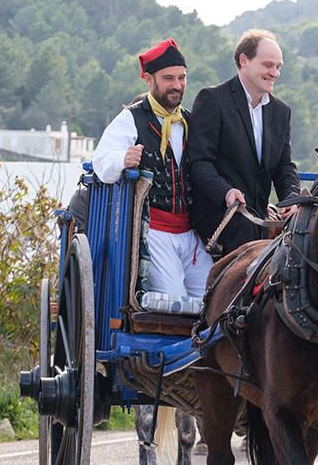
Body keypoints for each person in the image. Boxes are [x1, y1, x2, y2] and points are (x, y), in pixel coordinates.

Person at [91, 38, 212, 299]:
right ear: (149, 80)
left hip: (190, 233)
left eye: (182, 78)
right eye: (168, 78)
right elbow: (101, 161)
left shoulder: (191, 122)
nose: (177, 86)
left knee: (213, 297)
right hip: (154, 232)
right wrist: (123, 159)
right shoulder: (131, 118)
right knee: (173, 298)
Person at [188, 29, 300, 256]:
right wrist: (226, 192)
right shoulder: (212, 99)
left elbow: (284, 166)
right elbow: (199, 163)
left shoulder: (281, 111)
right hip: (219, 215)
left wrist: (291, 198)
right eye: (268, 65)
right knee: (248, 237)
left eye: (278, 67)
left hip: (258, 217)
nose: (275, 73)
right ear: (243, 60)